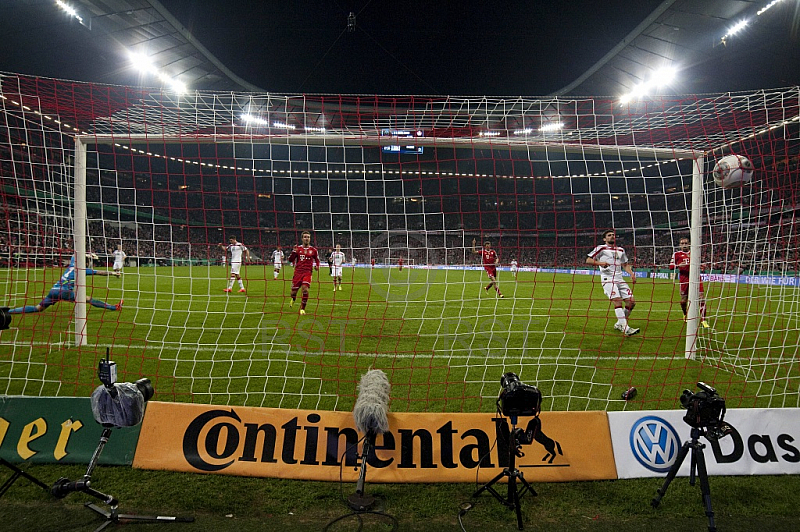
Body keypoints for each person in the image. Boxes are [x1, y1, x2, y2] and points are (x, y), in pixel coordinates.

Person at [8, 254, 122, 314]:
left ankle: (8, 312)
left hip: (54, 290)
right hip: (66, 291)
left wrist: (86, 254)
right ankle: (113, 307)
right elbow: (100, 272)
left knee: (37, 308)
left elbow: (74, 255)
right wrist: (113, 273)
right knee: (88, 299)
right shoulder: (82, 269)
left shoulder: (72, 265)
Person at [586, 230, 640, 336]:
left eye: (613, 235)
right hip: (608, 279)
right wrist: (600, 263)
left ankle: (620, 323)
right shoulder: (600, 248)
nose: (612, 237)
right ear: (604, 239)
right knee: (617, 301)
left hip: (620, 279)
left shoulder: (620, 250)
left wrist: (631, 274)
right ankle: (625, 328)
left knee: (631, 302)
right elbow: (588, 260)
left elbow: (625, 264)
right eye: (609, 235)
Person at [669, 237, 710, 328]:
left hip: (696, 278)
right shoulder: (676, 254)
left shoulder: (695, 253)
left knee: (701, 298)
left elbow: (701, 264)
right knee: (683, 300)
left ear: (689, 244)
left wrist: (703, 266)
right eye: (682, 243)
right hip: (684, 279)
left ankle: (703, 320)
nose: (684, 245)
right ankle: (685, 314)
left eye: (686, 243)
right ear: (680, 245)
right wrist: (679, 265)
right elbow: (671, 267)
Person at [287, 231, 320, 315]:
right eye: (305, 237)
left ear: (310, 239)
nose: (307, 239)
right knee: (293, 293)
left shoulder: (313, 250)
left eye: (308, 237)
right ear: (302, 238)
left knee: (305, 289)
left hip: (308, 272)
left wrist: (317, 266)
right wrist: (293, 252)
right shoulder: (297, 249)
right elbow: (290, 260)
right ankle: (293, 299)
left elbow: (317, 259)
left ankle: (302, 308)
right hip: (298, 273)